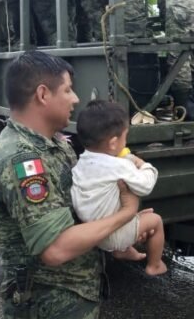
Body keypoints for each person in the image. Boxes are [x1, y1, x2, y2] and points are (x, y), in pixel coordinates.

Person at [0, 51, 150, 319]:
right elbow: (56, 249)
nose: (76, 99)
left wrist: (121, 234)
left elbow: (78, 210)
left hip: (71, 298)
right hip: (49, 305)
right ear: (43, 94)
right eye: (68, 90)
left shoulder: (55, 145)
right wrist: (126, 213)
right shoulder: (20, 160)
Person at [71, 100, 167, 276]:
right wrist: (141, 163)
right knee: (155, 220)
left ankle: (123, 250)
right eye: (125, 136)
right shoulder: (119, 166)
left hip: (92, 231)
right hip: (111, 234)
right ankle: (155, 265)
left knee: (120, 203)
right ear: (114, 143)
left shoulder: (81, 162)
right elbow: (146, 185)